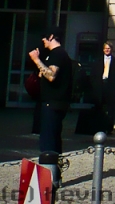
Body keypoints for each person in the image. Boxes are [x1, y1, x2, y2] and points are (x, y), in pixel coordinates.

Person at [29, 27, 73, 188]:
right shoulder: (54, 55)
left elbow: (51, 75)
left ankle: (49, 181)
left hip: (53, 104)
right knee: (53, 140)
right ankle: (55, 177)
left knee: (48, 143)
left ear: (52, 36)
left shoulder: (58, 54)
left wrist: (36, 60)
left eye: (44, 37)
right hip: (52, 103)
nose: (42, 40)